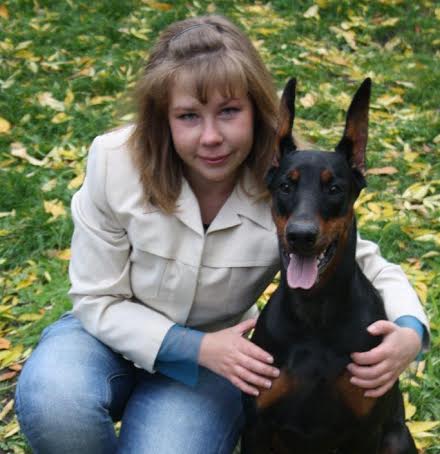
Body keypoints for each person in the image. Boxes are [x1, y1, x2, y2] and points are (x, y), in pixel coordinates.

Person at [15, 14, 429, 454]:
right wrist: (195, 346)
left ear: (257, 112)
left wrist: (408, 332)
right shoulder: (114, 161)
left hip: (215, 363)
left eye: (229, 111)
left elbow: (366, 264)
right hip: (104, 338)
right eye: (188, 116)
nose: (211, 136)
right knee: (55, 403)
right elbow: (95, 298)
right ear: (163, 118)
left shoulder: (285, 182)